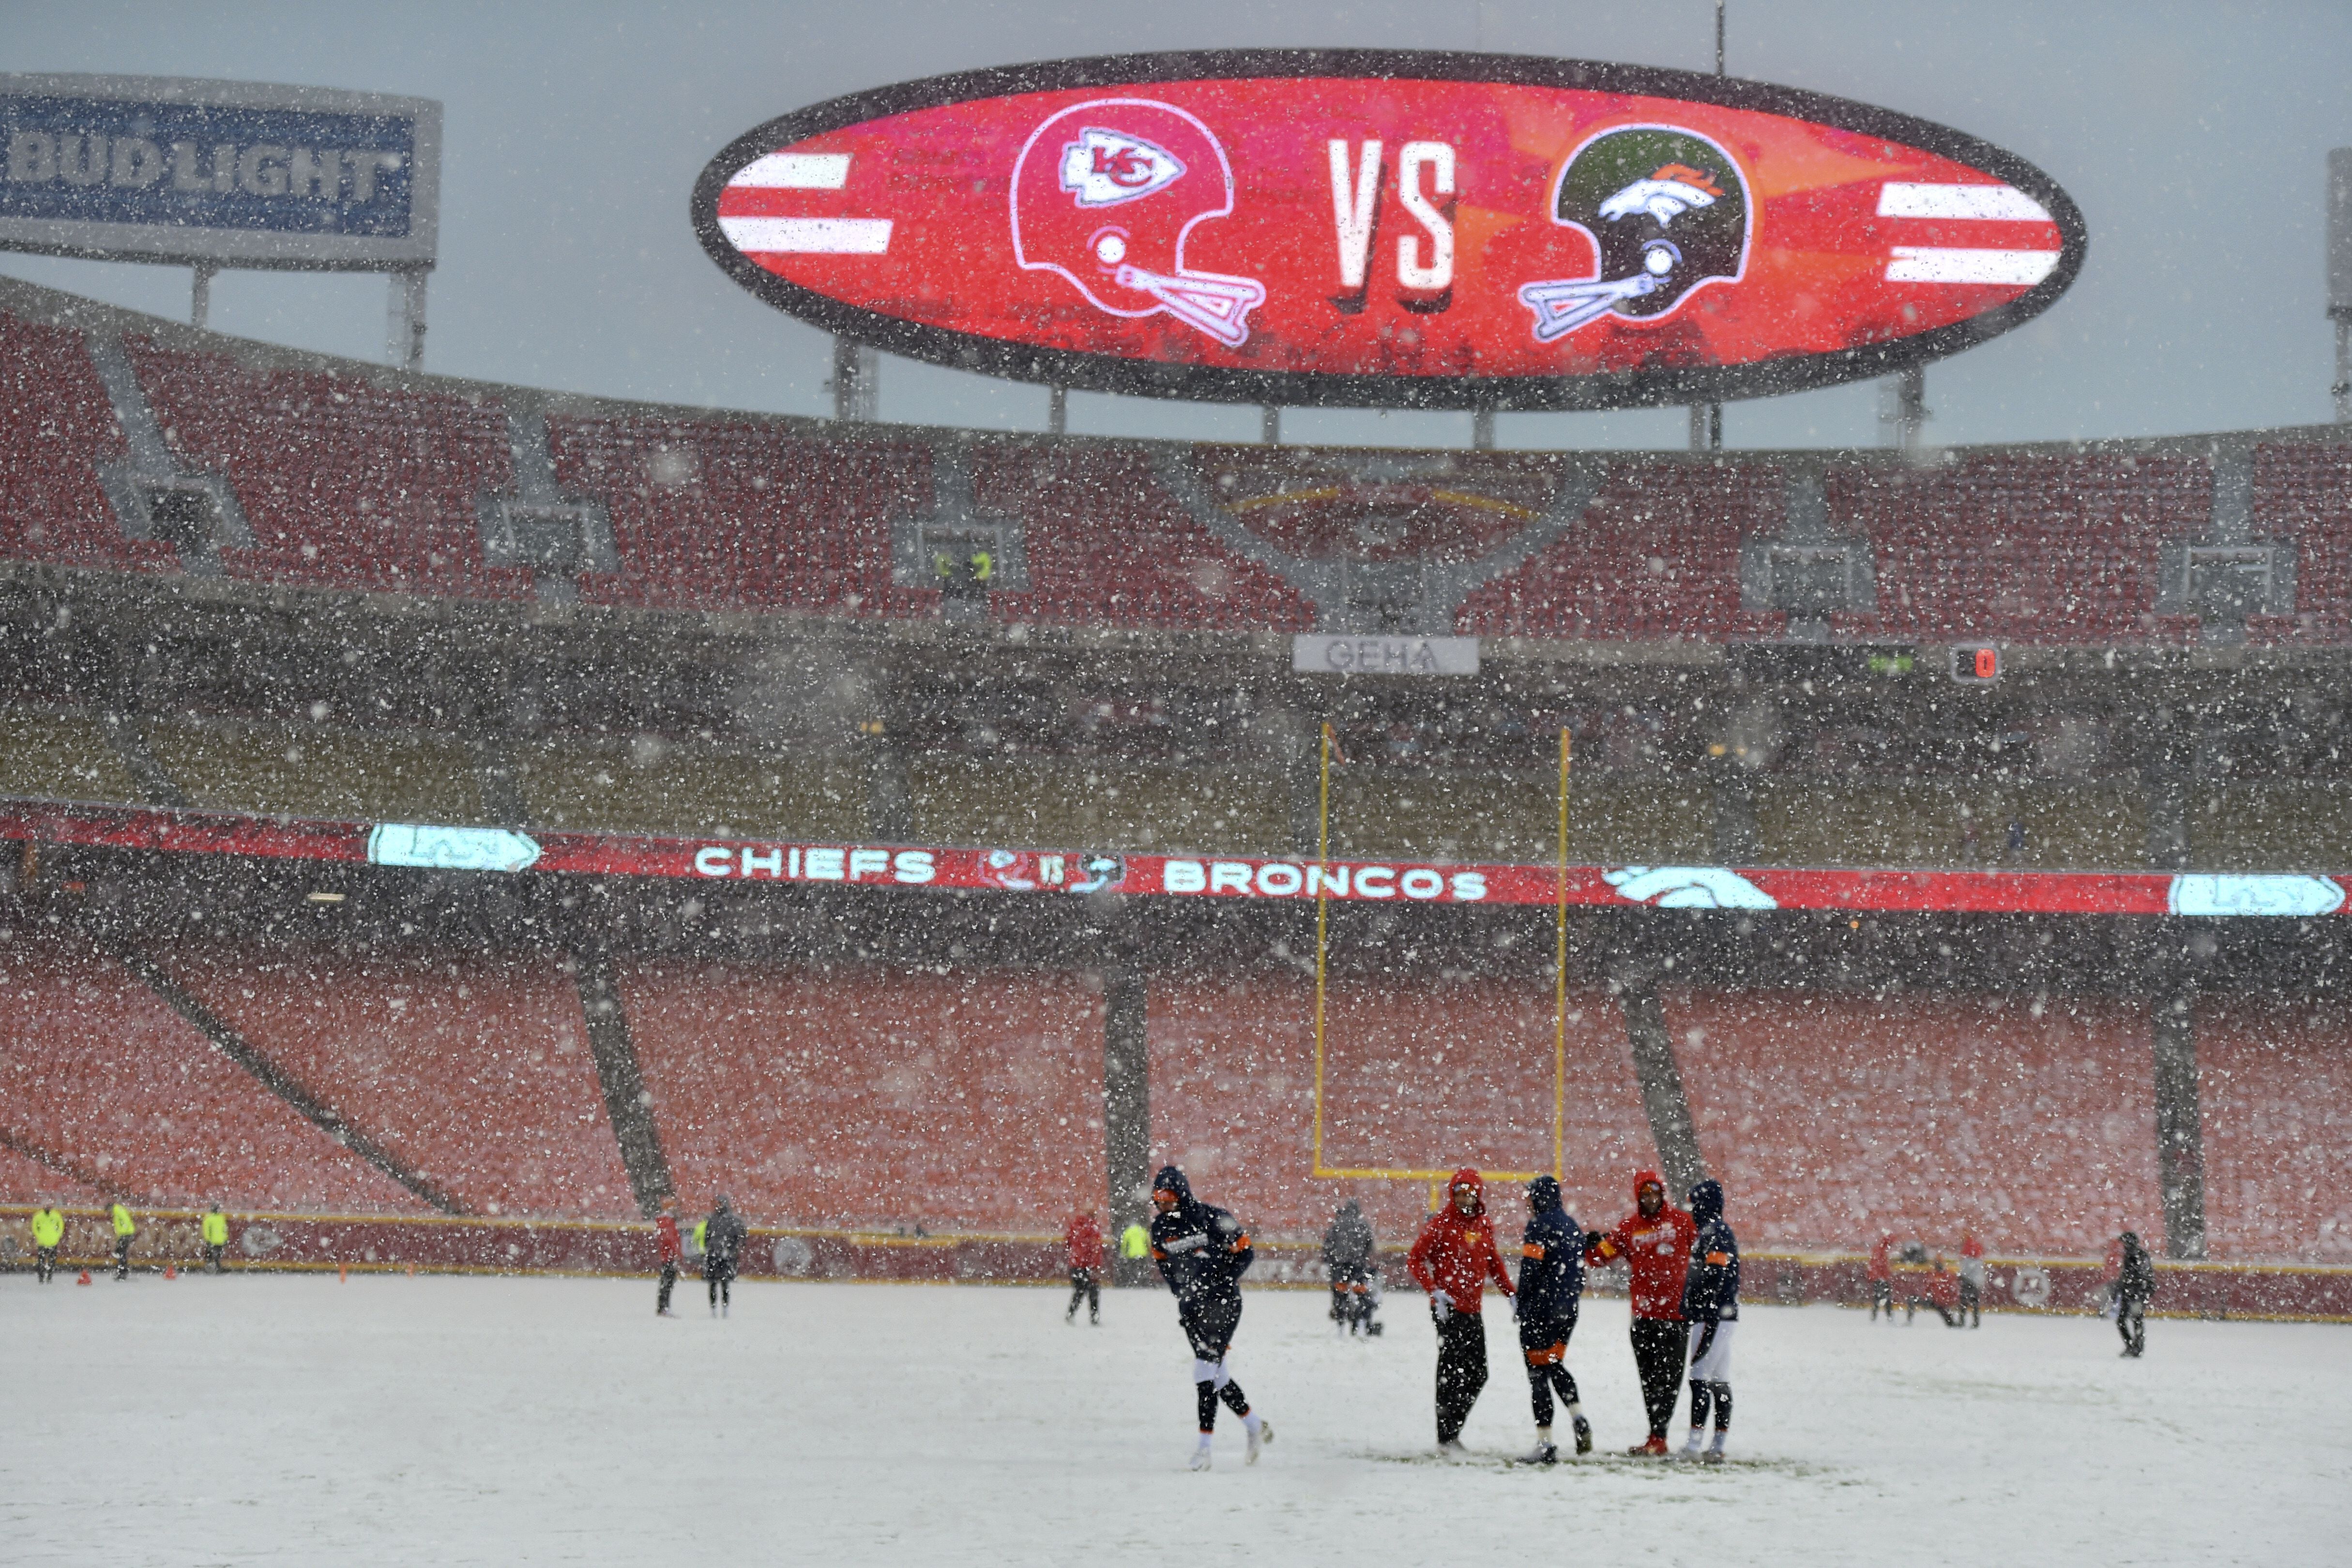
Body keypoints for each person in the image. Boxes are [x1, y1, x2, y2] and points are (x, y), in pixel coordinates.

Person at [1147, 1166, 1269, 1470]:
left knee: (1203, 1372)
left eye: (1167, 1198)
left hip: (1223, 1304)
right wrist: (1181, 1290)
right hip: (1193, 1307)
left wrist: (1222, 1280)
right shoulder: (1160, 1229)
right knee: (1219, 1376)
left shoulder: (1212, 1217)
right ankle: (1255, 1426)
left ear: (1182, 1195)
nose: (1162, 1205)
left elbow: (1246, 1251)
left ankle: (1204, 1450)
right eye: (1157, 1199)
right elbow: (1163, 1264)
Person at [1587, 1169, 1696, 1457]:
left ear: (1663, 1193)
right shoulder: (1628, 1228)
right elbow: (1599, 1258)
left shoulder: (1683, 1222)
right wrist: (1591, 1246)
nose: (1651, 1199)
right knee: (1650, 1380)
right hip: (1644, 1316)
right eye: (1645, 1194)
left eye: (1655, 1193)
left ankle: (1660, 1437)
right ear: (1638, 1197)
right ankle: (1655, 1436)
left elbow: (1705, 1249)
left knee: (1670, 1380)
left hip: (1676, 1316)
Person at [1406, 1169, 1515, 1457]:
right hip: (1448, 1309)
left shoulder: (1484, 1225)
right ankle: (1446, 1437)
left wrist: (1510, 1293)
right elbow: (1415, 1259)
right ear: (1453, 1195)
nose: (1467, 1198)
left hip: (1472, 1309)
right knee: (1450, 1373)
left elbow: (1494, 1262)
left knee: (1479, 1373)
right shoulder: (1441, 1225)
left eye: (1471, 1193)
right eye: (1461, 1193)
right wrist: (1433, 1290)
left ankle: (1452, 1430)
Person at [1513, 1175, 1591, 1464]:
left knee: (1537, 1373)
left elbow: (1531, 1269)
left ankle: (1545, 1444)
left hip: (1542, 1310)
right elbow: (1581, 1270)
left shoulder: (1538, 1226)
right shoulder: (1572, 1225)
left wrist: (1523, 1305)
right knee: (1554, 1363)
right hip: (1568, 1311)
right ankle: (1578, 1416)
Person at [1680, 1179, 1740, 1463]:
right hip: (1723, 1314)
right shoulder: (1716, 1231)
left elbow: (1715, 1275)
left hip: (1712, 1315)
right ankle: (1717, 1445)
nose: (1692, 1211)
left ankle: (1694, 1445)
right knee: (1719, 1381)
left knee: (1699, 1378)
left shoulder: (1714, 1233)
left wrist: (1700, 1305)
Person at [1322, 1199, 1377, 1336]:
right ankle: (1361, 1324)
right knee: (1361, 1294)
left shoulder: (1337, 1224)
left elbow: (1328, 1244)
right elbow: (1370, 1245)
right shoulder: (1363, 1225)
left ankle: (1341, 1324)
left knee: (1340, 1295)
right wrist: (1362, 1258)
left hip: (1340, 1266)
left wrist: (1333, 1261)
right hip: (1358, 1266)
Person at [704, 1195, 746, 1317]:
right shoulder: (714, 1219)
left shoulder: (729, 1220)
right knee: (714, 1283)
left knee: (723, 1283)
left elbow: (738, 1237)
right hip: (716, 1255)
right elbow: (708, 1237)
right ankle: (714, 1308)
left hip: (723, 1256)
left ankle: (724, 1307)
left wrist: (730, 1250)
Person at [2114, 1230, 2154, 1357]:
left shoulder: (2134, 1255)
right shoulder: (2140, 1255)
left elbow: (2134, 1275)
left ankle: (2133, 1346)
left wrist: (2124, 1287)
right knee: (2136, 1320)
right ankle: (2136, 1347)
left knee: (2126, 1320)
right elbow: (2146, 1274)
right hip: (2137, 1292)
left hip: (2134, 1292)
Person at [1064, 1209, 1104, 1325]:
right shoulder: (1093, 1228)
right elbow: (1096, 1249)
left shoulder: (1075, 1225)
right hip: (1088, 1265)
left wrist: (1075, 1256)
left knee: (1079, 1291)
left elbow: (1067, 1242)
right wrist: (1095, 1266)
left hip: (1075, 1265)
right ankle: (1094, 1316)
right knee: (1094, 1292)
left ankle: (1071, 1313)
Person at [1913, 1255, 1961, 1327]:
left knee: (1945, 1311)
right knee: (1911, 1300)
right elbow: (1927, 1289)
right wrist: (1926, 1297)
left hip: (1944, 1302)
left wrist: (1950, 1300)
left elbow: (1953, 1290)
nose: (1938, 1265)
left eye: (1939, 1263)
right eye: (1937, 1263)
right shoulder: (1932, 1275)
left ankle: (1954, 1324)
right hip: (1934, 1301)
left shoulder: (1948, 1276)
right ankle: (1909, 1321)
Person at [654, 1200, 682, 1316]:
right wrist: (675, 1253)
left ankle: (663, 1307)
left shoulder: (665, 1221)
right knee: (667, 1283)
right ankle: (664, 1307)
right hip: (668, 1258)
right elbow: (670, 1239)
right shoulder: (667, 1221)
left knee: (666, 1283)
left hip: (667, 1257)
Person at [30, 1201, 63, 1284]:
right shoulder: (38, 1216)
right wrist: (39, 1235)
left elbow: (61, 1226)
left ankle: (49, 1277)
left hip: (53, 1242)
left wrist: (57, 1236)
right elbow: (34, 1227)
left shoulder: (56, 1215)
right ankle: (41, 1278)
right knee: (41, 1261)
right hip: (42, 1242)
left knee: (52, 1261)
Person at [1958, 1234, 1987, 1328]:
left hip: (1967, 1282)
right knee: (1975, 1304)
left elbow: (1964, 1272)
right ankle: (1976, 1322)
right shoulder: (1979, 1262)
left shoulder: (1966, 1259)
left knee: (1964, 1303)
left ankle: (1962, 1321)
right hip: (1975, 1283)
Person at [1866, 1234, 1895, 1322]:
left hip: (1879, 1278)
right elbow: (1880, 1266)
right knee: (1885, 1298)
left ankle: (1875, 1317)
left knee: (1879, 1298)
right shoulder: (1881, 1251)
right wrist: (1884, 1277)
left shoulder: (1879, 1250)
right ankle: (1888, 1316)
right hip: (1881, 1279)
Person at [109, 1198, 136, 1280]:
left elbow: (125, 1222)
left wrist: (123, 1235)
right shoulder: (119, 1210)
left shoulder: (117, 1211)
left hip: (126, 1234)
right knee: (122, 1253)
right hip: (127, 1234)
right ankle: (123, 1271)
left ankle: (122, 1271)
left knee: (121, 1253)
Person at [200, 1203, 229, 1273]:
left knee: (210, 1255)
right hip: (220, 1240)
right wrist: (225, 1239)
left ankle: (209, 1268)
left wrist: (208, 1239)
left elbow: (207, 1230)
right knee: (217, 1255)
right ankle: (218, 1268)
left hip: (212, 1240)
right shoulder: (222, 1218)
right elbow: (225, 1229)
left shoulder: (208, 1219)